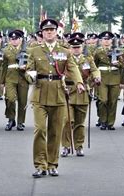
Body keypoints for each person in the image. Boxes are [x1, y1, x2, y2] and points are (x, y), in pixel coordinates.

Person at [26, 19, 85, 178]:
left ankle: (52, 164)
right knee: (40, 129)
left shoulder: (65, 51)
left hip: (58, 93)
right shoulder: (34, 50)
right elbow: (28, 68)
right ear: (42, 33)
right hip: (40, 92)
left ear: (56, 32)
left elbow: (72, 68)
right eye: (46, 30)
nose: (49, 32)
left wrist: (79, 82)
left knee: (55, 131)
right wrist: (29, 75)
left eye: (52, 30)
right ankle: (40, 165)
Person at [61, 35, 100, 157]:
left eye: (78, 47)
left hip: (82, 92)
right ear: (70, 48)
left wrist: (97, 76)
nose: (76, 49)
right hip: (68, 91)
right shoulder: (65, 59)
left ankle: (78, 146)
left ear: (82, 47)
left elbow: (94, 70)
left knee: (80, 122)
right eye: (74, 47)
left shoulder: (88, 59)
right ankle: (66, 146)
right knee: (67, 121)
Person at [1, 30, 29, 131]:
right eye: (12, 39)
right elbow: (4, 66)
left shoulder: (27, 50)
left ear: (21, 39)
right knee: (10, 99)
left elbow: (32, 65)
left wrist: (26, 67)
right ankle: (11, 119)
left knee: (22, 101)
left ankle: (21, 122)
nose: (14, 41)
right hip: (10, 77)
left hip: (23, 78)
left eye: (16, 39)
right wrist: (2, 81)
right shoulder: (6, 51)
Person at [93, 31, 121, 130]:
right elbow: (94, 66)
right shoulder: (97, 52)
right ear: (101, 41)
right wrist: (94, 78)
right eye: (105, 39)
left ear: (111, 40)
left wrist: (118, 63)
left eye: (108, 39)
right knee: (103, 100)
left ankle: (110, 123)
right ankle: (103, 120)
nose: (107, 41)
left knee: (113, 101)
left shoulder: (117, 51)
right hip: (102, 78)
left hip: (114, 77)